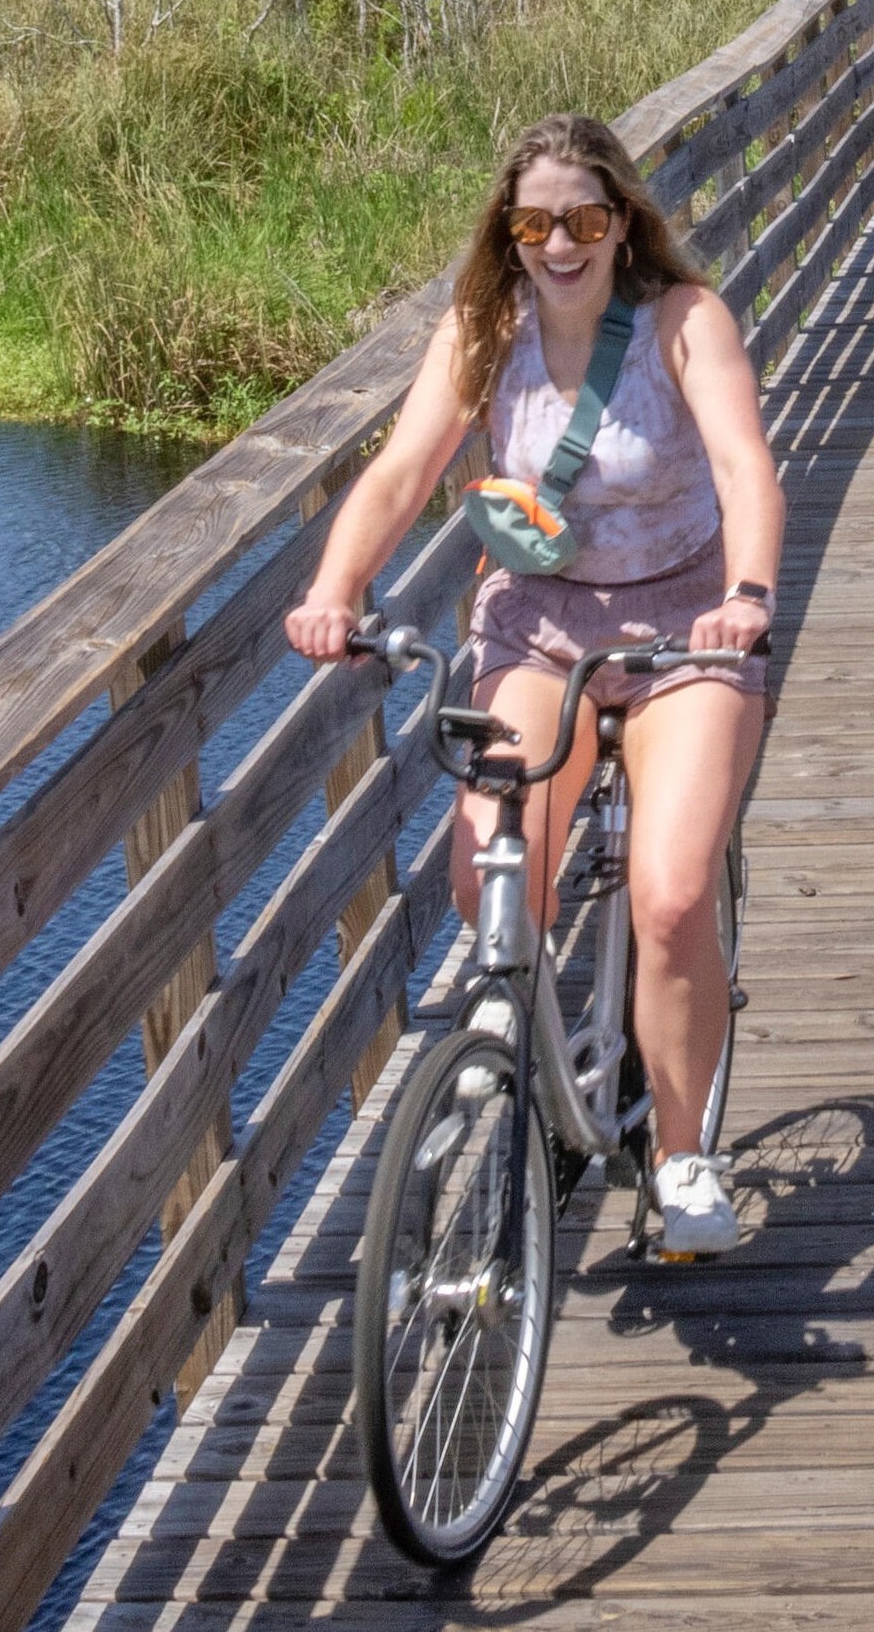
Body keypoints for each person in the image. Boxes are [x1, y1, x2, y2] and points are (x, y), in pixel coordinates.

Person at [287, 113, 782, 1255]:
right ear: (507, 233)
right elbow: (404, 469)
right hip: (538, 628)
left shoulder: (681, 323)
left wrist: (746, 594)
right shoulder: (481, 328)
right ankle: (517, 1041)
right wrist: (334, 587)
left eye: (585, 220)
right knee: (489, 872)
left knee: (666, 896)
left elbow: (744, 467)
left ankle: (679, 1154)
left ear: (621, 223)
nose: (560, 244)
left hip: (680, 628)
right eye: (534, 223)